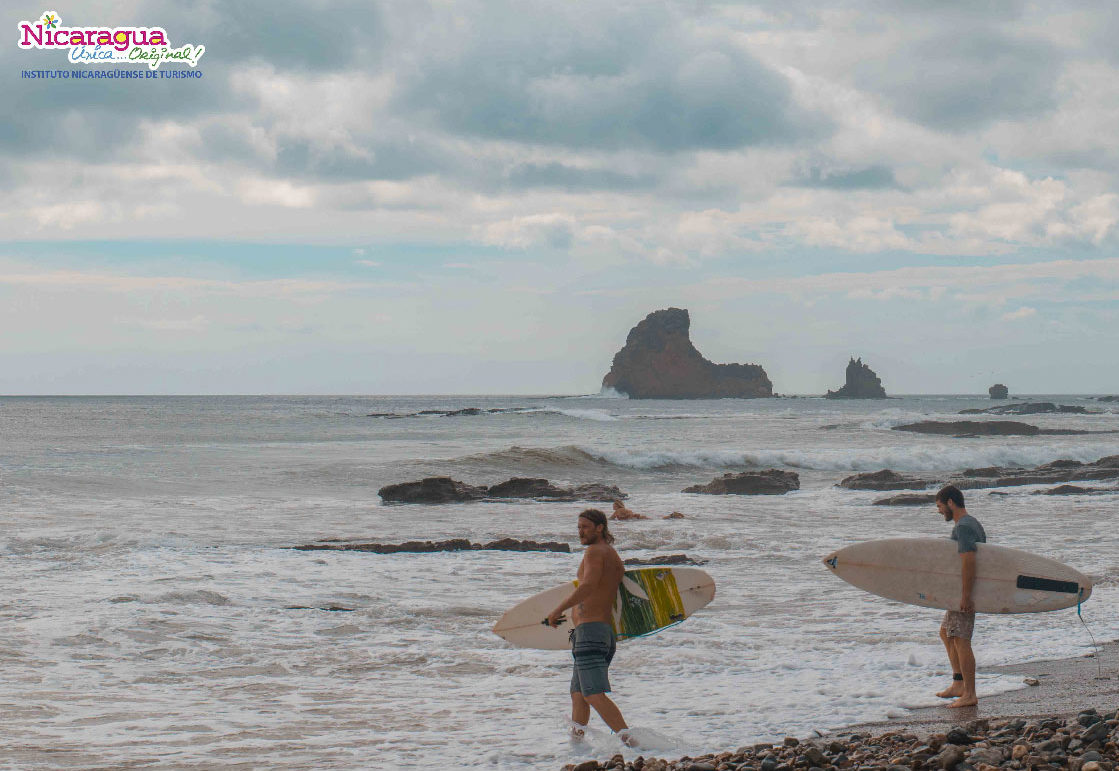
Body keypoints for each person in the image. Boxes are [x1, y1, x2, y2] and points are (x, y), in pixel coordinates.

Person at [546, 509, 633, 743]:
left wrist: (557, 609)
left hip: (590, 631)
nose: (580, 532)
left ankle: (635, 745)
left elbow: (588, 586)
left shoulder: (595, 551)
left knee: (593, 693)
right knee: (579, 695)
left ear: (600, 528)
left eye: (585, 527)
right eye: (578, 527)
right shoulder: (611, 554)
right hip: (598, 632)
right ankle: (577, 746)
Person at [934, 484, 987, 708]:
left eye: (939, 506)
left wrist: (966, 596)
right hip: (959, 590)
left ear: (951, 503)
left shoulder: (964, 527)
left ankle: (970, 694)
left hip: (966, 591)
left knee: (961, 640)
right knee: (946, 633)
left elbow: (969, 560)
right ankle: (958, 683)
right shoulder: (970, 522)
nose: (939, 511)